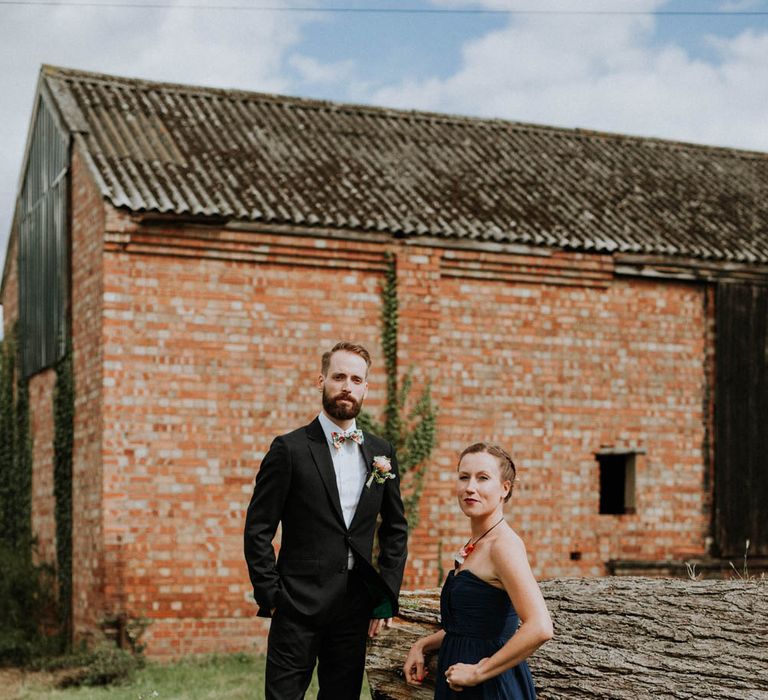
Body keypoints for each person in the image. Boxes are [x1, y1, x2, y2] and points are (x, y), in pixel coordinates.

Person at [244, 341, 408, 700]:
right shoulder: (289, 449)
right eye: (338, 377)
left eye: (355, 378)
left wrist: (385, 597)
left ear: (366, 387)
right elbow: (258, 528)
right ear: (321, 381)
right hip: (295, 605)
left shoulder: (381, 452)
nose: (346, 386)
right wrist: (271, 594)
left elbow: (395, 529)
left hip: (353, 608)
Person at [403, 443, 553, 699]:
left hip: (489, 687)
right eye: (464, 477)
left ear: (505, 488)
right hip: (459, 679)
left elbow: (540, 626)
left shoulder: (503, 546)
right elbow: (471, 628)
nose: (470, 487)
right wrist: (423, 645)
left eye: (483, 478)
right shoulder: (476, 544)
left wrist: (478, 672)